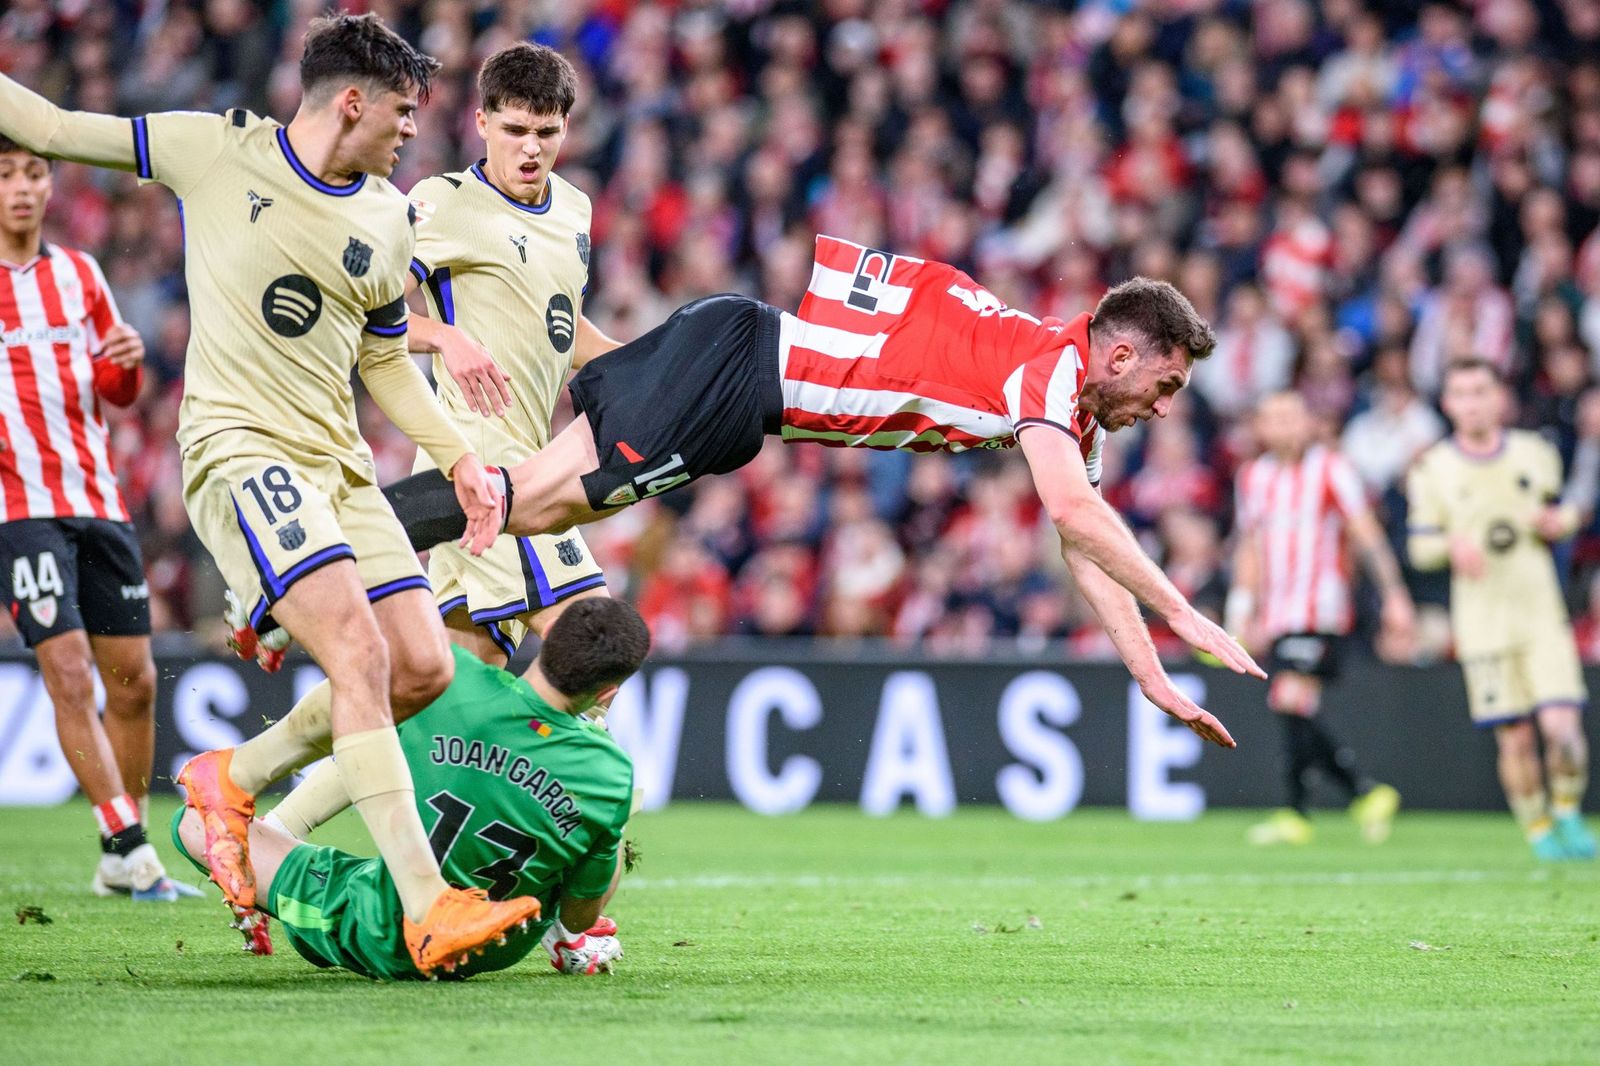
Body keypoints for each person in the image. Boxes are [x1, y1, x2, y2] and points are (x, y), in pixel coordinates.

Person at [0, 13, 539, 973]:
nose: (413, 132)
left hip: (340, 464)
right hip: (241, 449)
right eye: (404, 113)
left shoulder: (385, 215)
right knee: (360, 654)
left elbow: (383, 360)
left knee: (424, 668)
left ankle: (230, 777)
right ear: (351, 103)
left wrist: (458, 455)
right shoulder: (210, 151)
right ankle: (428, 905)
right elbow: (45, 125)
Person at [391, 234, 1265, 745]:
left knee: (515, 500)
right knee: (531, 506)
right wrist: (1184, 614)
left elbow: (1086, 544)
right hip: (735, 373)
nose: (1161, 407)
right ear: (1120, 356)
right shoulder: (1051, 372)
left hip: (737, 376)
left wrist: (1149, 672)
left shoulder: (1064, 396)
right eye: (1165, 386)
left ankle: (346, 541)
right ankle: (337, 544)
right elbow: (1077, 513)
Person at [171, 597, 648, 979]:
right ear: (608, 691)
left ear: (546, 641)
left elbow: (355, 684)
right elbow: (581, 912)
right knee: (605, 830)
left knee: (193, 822)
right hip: (498, 945)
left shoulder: (453, 678)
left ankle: (280, 840)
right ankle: (565, 945)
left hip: (380, 928)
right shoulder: (609, 772)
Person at [0, 135, 196, 901]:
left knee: (136, 682)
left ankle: (123, 855)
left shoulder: (80, 275)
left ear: (50, 186)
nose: (21, 188)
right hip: (21, 508)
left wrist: (127, 358)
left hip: (99, 501)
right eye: (7, 175)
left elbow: (117, 390)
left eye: (34, 173)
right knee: (70, 670)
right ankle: (127, 844)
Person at [405, 42, 620, 665]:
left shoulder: (575, 209)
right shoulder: (442, 203)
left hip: (518, 467)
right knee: (598, 654)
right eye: (515, 130)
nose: (531, 148)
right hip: (486, 468)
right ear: (481, 123)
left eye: (546, 132)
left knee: (453, 693)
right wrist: (443, 335)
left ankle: (257, 764)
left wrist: (649, 365)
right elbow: (366, 316)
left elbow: (558, 325)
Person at [1407, 357, 1597, 861]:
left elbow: (1572, 508)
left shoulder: (1535, 453)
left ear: (1499, 398)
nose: (1471, 403)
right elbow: (1420, 547)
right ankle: (1538, 830)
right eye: (1461, 393)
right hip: (1484, 625)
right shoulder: (1433, 469)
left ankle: (1568, 812)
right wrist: (1453, 547)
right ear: (1448, 404)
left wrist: (1563, 521)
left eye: (1480, 391)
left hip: (1541, 616)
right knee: (1514, 741)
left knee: (1563, 731)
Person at [1226, 391, 1412, 846]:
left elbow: (1364, 531)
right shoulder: (1253, 477)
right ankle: (1357, 795)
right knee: (1293, 704)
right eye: (1273, 418)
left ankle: (1303, 810)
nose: (1284, 426)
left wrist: (1394, 595)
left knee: (1289, 698)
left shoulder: (1331, 469)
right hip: (1277, 612)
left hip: (1321, 609)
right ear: (1261, 428)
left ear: (1308, 423)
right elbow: (1250, 547)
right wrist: (1241, 611)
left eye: (1292, 416)